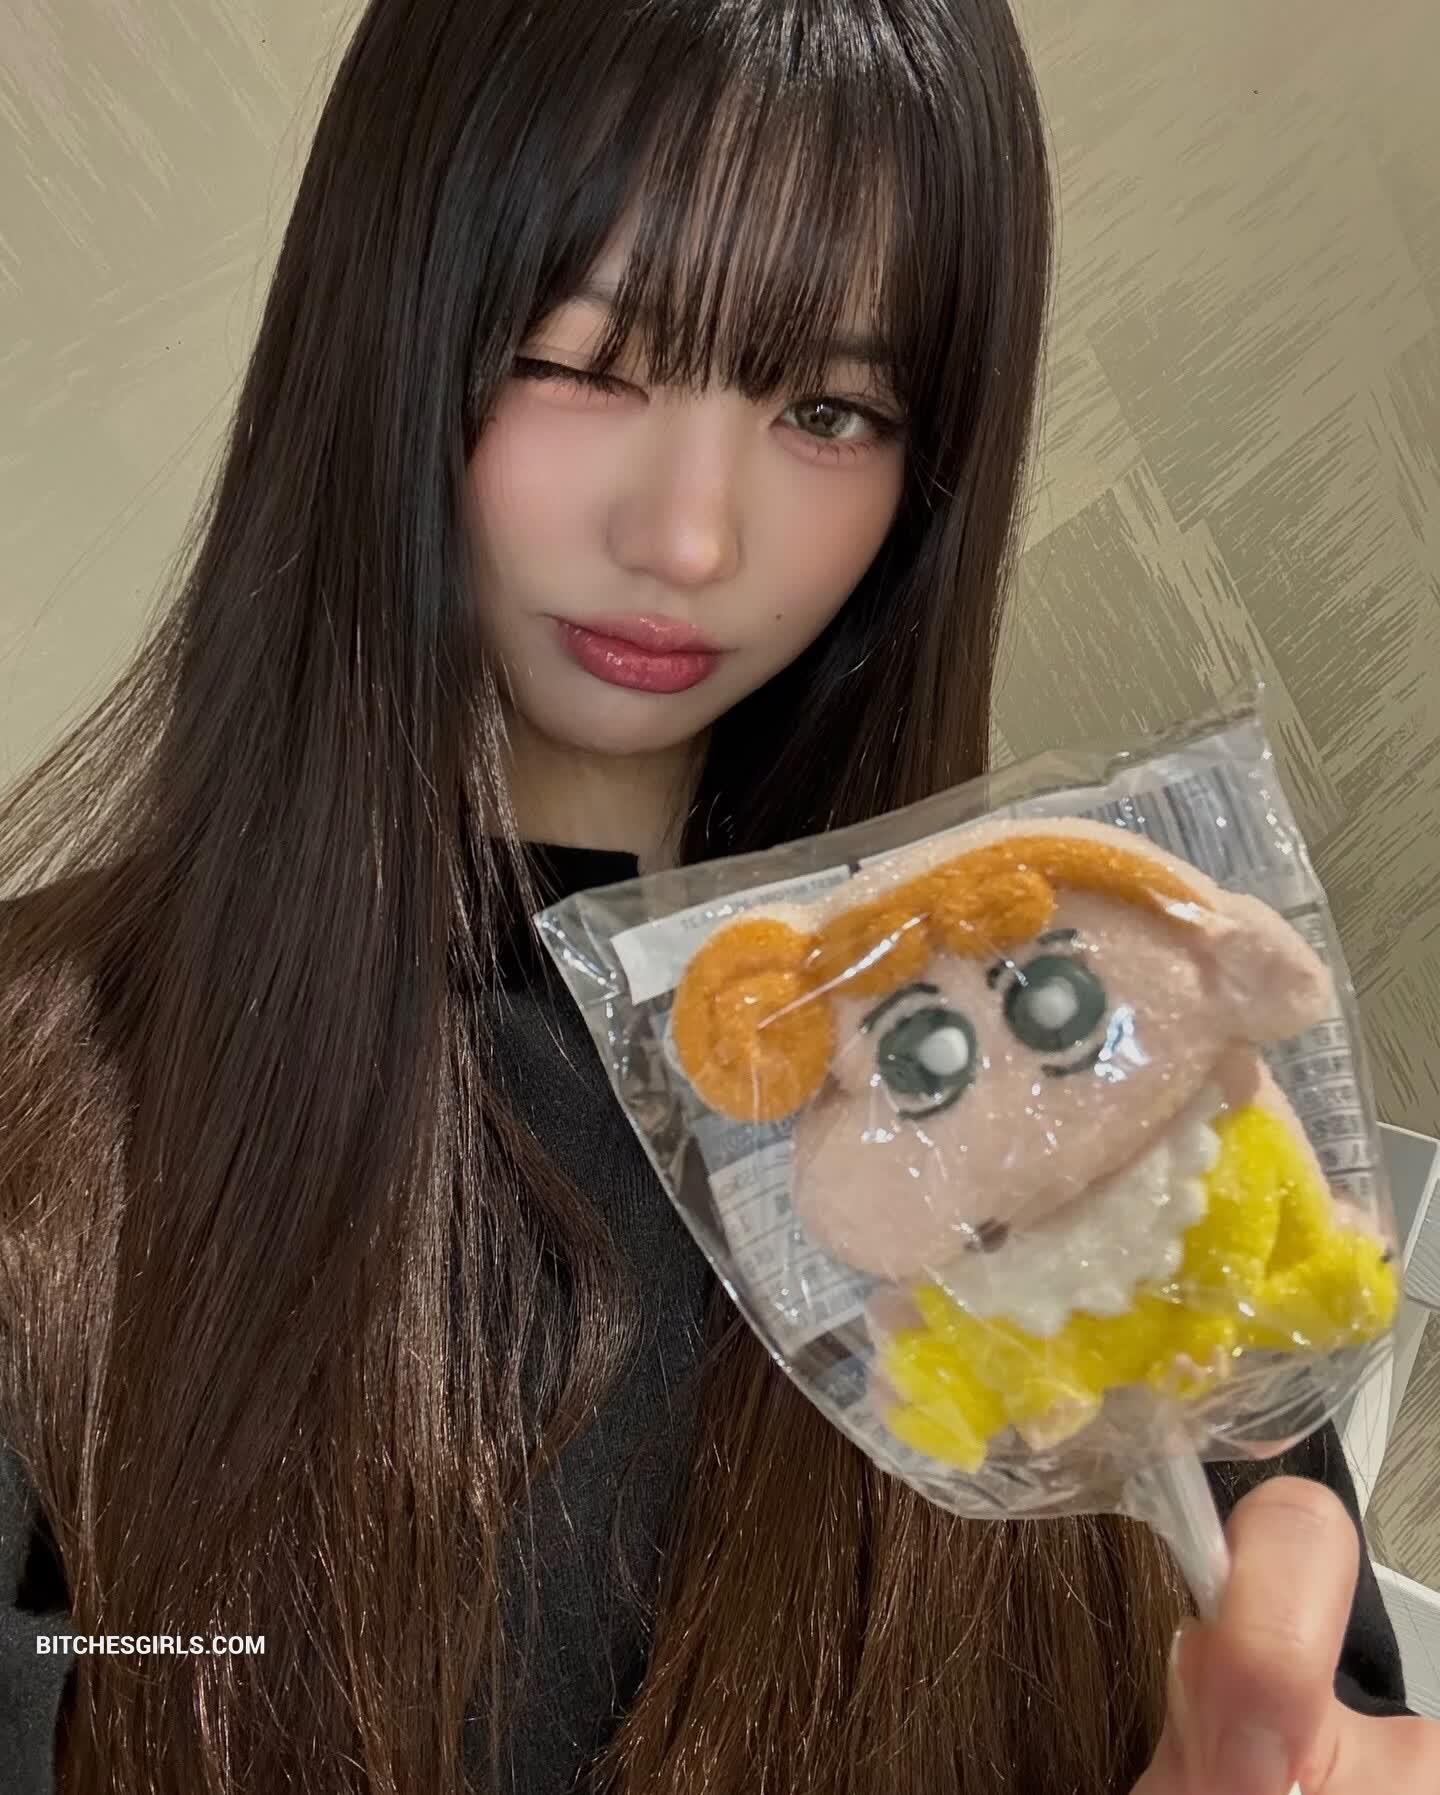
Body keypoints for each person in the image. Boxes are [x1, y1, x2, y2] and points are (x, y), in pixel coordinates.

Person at [0, 1, 1435, 1791]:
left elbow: (1315, 1701)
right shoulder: (50, 1098)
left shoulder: (1070, 1049)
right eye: (582, 362)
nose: (689, 538)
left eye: (830, 408)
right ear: (389, 327)